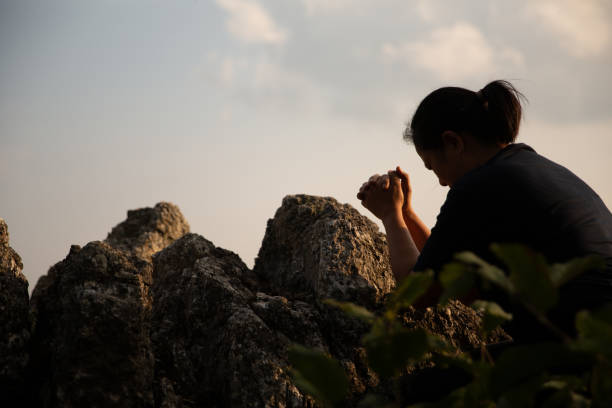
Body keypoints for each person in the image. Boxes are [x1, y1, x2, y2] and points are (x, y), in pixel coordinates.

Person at [357, 80, 612, 342]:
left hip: (583, 344)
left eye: (432, 166)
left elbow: (417, 292)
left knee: (424, 384)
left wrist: (390, 215)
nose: (442, 182)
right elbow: (445, 271)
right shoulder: (534, 167)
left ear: (452, 142)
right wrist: (407, 214)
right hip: (596, 331)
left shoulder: (478, 186)